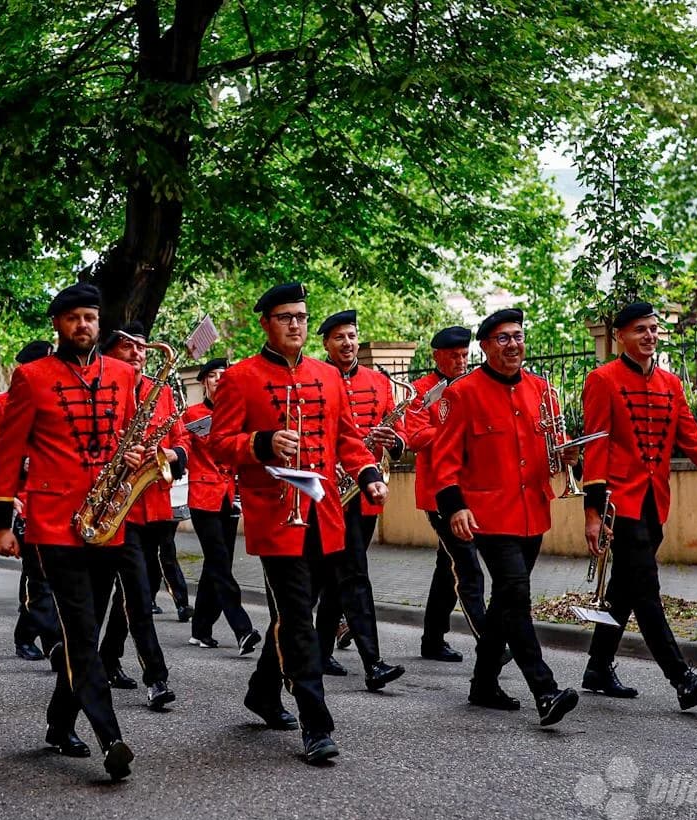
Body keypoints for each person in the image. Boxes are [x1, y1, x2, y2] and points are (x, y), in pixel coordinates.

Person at [208, 282, 388, 765]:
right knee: (299, 619)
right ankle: (316, 724)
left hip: (325, 512)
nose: (295, 324)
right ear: (265, 322)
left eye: (302, 317)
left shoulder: (328, 376)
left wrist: (368, 473)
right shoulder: (240, 377)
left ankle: (263, 692)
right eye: (285, 316)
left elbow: (348, 439)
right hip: (275, 514)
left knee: (296, 615)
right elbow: (219, 442)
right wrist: (261, 443)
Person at [0, 283, 142, 781]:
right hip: (54, 524)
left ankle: (59, 723)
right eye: (73, 317)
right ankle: (110, 737)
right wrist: (0, 524)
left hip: (109, 521)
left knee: (88, 635)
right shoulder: (31, 377)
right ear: (57, 324)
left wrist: (138, 457)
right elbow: (8, 454)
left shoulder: (123, 374)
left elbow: (124, 437)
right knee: (78, 632)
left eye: (91, 318)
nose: (83, 326)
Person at [580, 302, 697, 709]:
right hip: (619, 504)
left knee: (623, 589)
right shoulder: (602, 379)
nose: (650, 336)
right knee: (645, 590)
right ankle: (681, 678)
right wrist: (592, 512)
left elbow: (691, 438)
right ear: (620, 335)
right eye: (640, 329)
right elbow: (596, 447)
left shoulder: (671, 384)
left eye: (654, 329)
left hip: (655, 503)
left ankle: (598, 668)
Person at [433, 308, 579, 727]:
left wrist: (568, 451)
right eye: (503, 338)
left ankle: (482, 683)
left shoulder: (543, 390)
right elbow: (444, 461)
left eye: (518, 336)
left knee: (504, 604)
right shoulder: (463, 393)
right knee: (516, 594)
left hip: (533, 511)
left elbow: (555, 442)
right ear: (485, 346)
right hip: (488, 517)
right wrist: (455, 506)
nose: (513, 344)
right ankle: (545, 689)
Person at [312, 310, 405, 690]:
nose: (347, 343)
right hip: (330, 490)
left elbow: (399, 431)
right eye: (339, 338)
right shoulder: (318, 378)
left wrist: (393, 443)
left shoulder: (378, 382)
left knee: (339, 577)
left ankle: (319, 652)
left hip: (364, 492)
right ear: (326, 345)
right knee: (354, 574)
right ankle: (373, 662)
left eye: (351, 336)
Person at [95, 322, 181, 709]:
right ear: (109, 352)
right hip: (114, 507)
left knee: (130, 592)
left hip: (154, 505)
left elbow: (182, 441)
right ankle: (157, 678)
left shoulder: (158, 392)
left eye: (143, 348)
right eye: (129, 347)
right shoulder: (97, 391)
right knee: (138, 594)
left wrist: (168, 456)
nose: (138, 354)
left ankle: (107, 659)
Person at [406, 326, 492, 662]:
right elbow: (413, 437)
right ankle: (489, 639)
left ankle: (432, 639)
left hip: (468, 491)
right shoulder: (421, 392)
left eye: (464, 355)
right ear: (437, 356)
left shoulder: (473, 386)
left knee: (448, 569)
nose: (460, 361)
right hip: (438, 492)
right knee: (467, 565)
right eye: (454, 356)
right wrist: (453, 433)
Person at [181, 358, 259, 653]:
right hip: (203, 497)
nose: (218, 380)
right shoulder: (192, 413)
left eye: (222, 376)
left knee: (218, 565)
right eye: (212, 376)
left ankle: (200, 629)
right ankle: (243, 629)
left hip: (229, 496)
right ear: (204, 382)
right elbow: (183, 448)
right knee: (218, 562)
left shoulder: (237, 413)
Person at [0, 340, 60, 662]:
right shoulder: (2, 404)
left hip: (58, 497)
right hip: (25, 497)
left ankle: (31, 634)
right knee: (39, 574)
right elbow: (0, 452)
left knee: (50, 577)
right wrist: (8, 501)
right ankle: (50, 642)